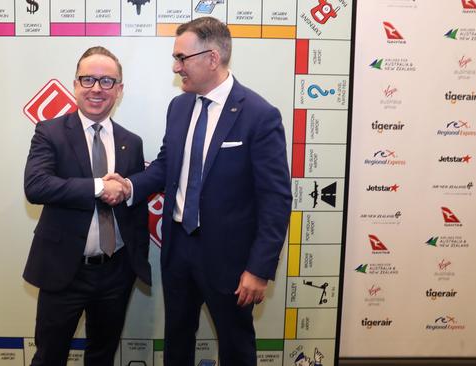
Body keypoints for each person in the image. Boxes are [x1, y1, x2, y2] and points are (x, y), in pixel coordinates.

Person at [107, 17, 292, 366]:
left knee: (236, 346)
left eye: (181, 58)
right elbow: (165, 165)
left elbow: (276, 199)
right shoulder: (180, 107)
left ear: (212, 58)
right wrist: (130, 185)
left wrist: (259, 268)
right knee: (177, 340)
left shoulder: (259, 115)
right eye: (175, 59)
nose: (176, 68)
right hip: (178, 249)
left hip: (231, 260)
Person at [23, 46, 151, 366]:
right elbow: (36, 186)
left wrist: (125, 191)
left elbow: (132, 202)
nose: (97, 88)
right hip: (65, 270)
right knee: (49, 356)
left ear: (119, 90)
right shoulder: (50, 131)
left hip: (116, 271)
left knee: (102, 356)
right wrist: (99, 186)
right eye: (88, 79)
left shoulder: (131, 141)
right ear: (75, 85)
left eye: (107, 81)